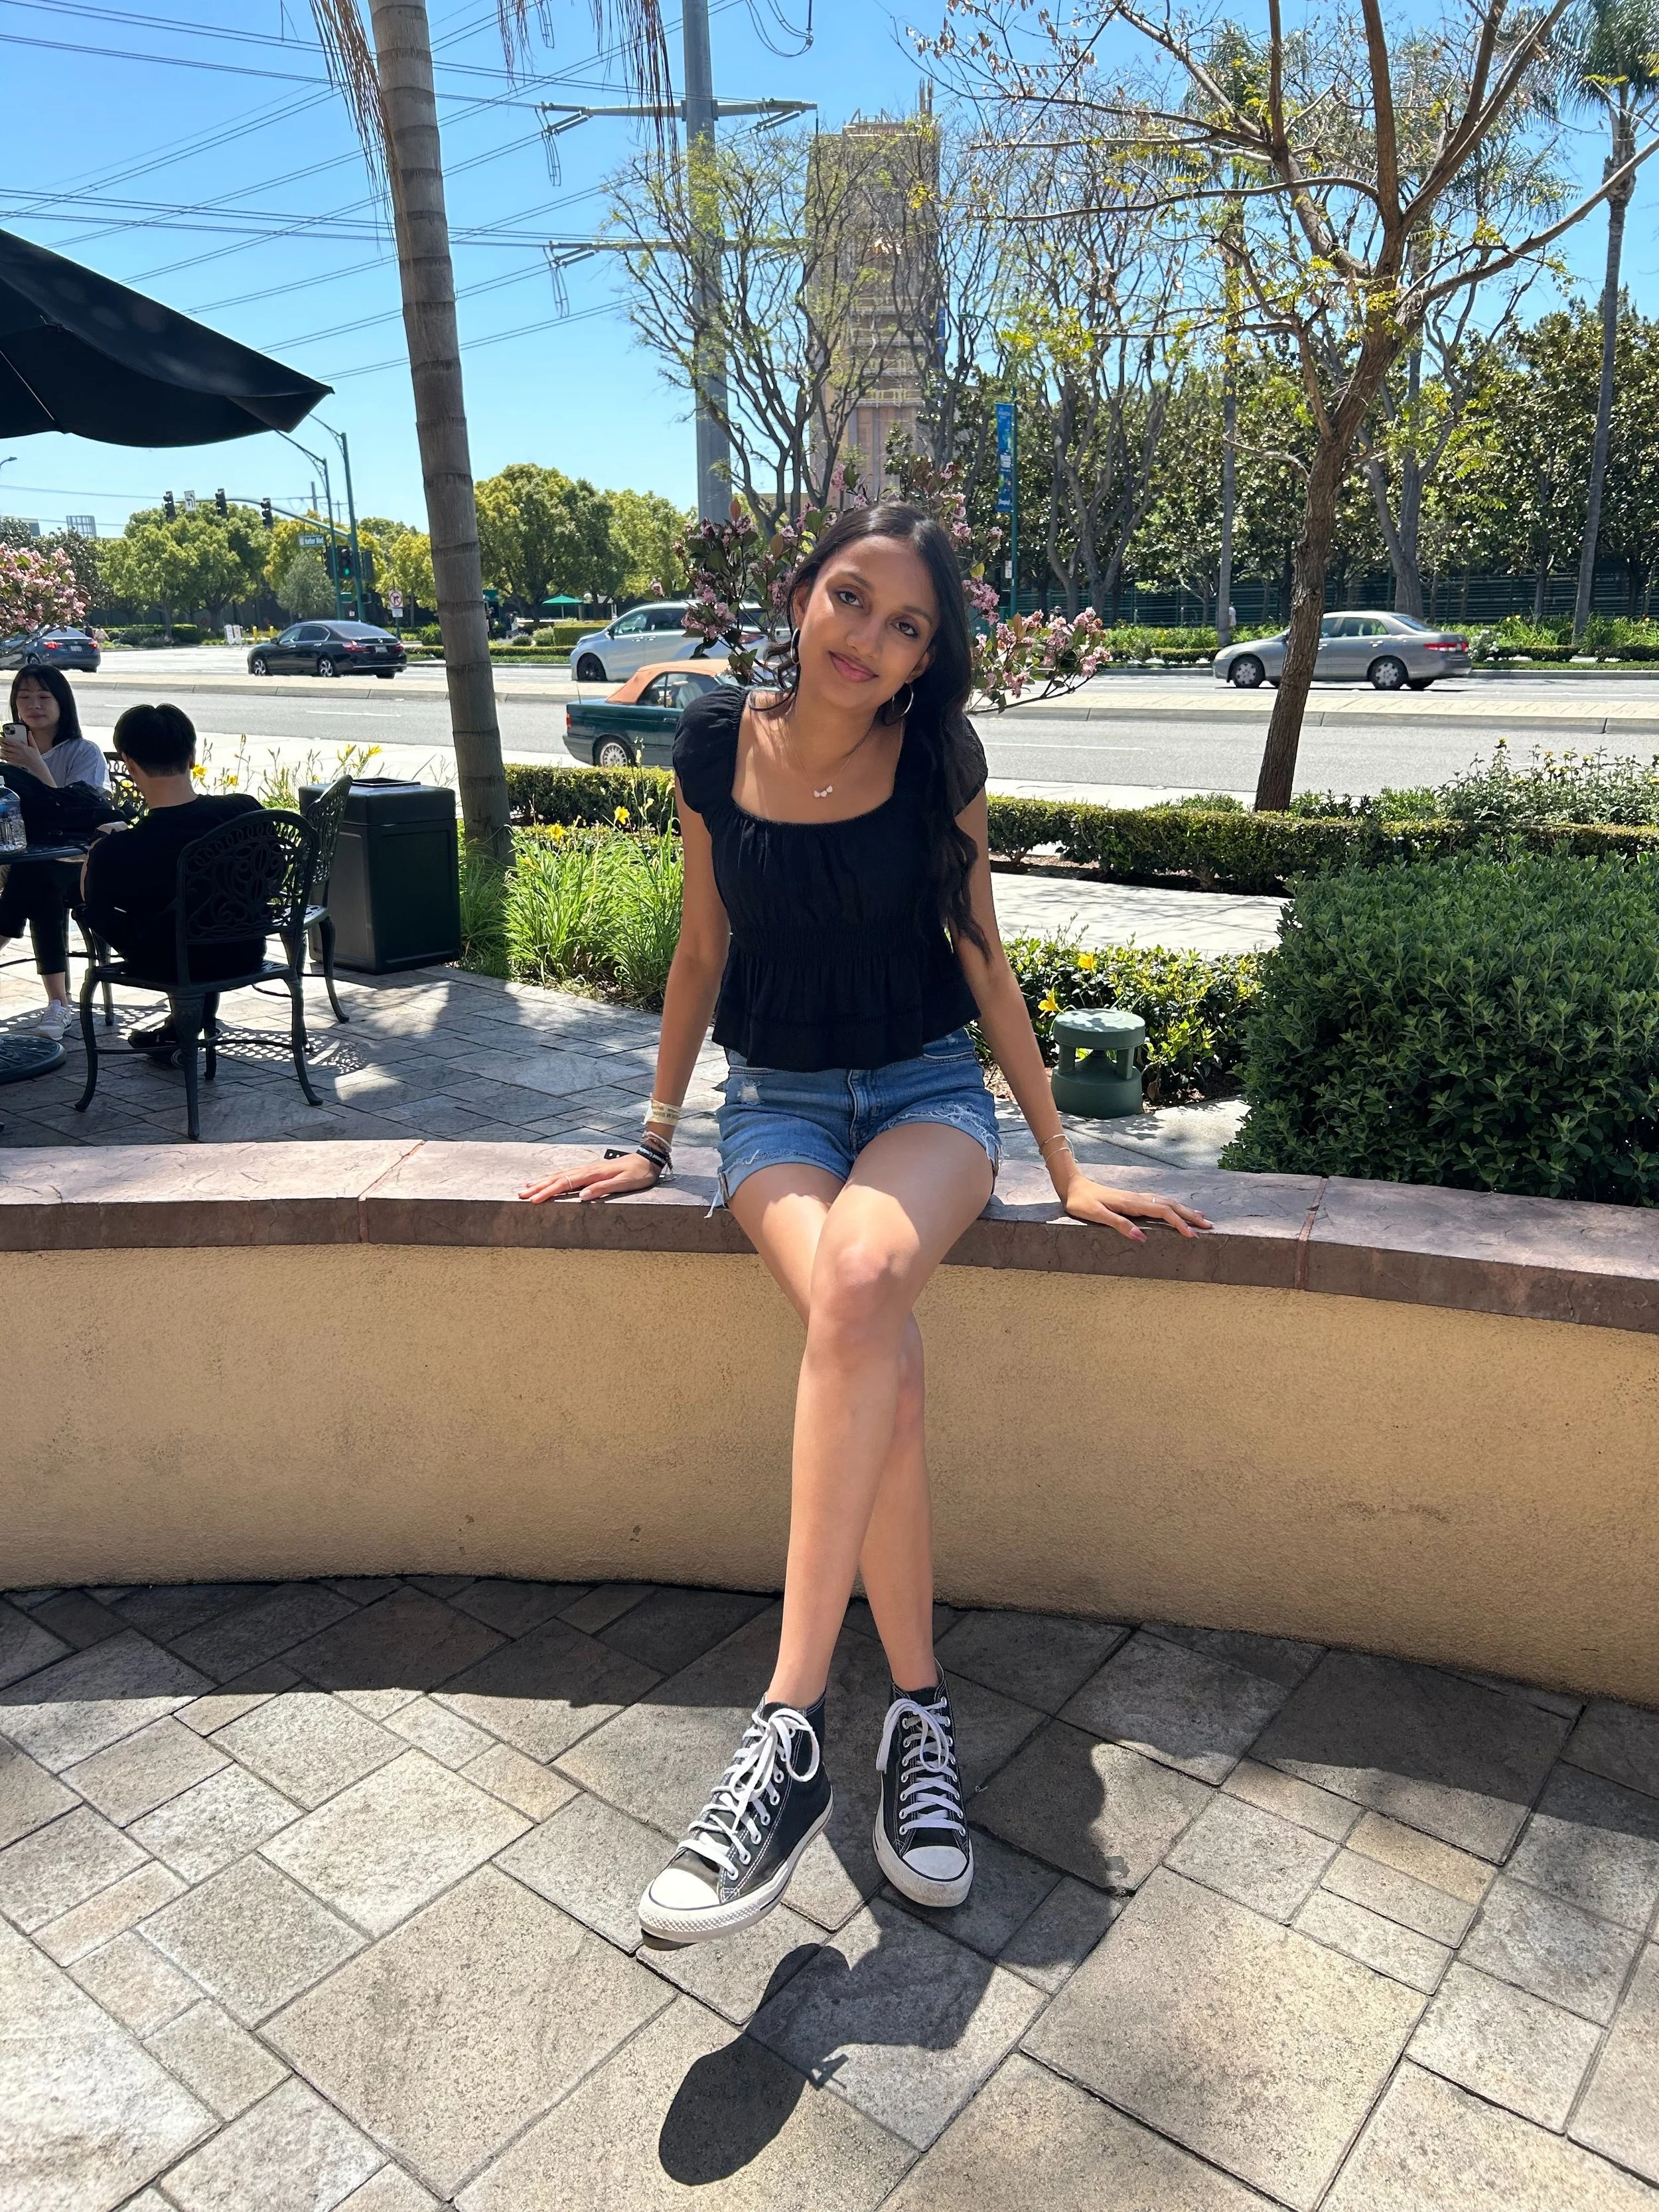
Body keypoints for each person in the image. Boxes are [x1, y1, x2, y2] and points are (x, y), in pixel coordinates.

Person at [520, 503, 1210, 1945]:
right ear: (798, 593)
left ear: (929, 659)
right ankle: (913, 1713)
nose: (870, 641)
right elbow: (701, 946)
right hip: (771, 1104)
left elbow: (983, 954)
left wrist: (1065, 1164)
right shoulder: (712, 743)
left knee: (864, 1276)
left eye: (908, 627)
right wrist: (652, 1136)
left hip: (923, 1094)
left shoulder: (936, 761)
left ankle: (782, 1730)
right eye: (851, 600)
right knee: (867, 1326)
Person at [80, 703, 263, 1033]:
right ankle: (184, 1027)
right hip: (246, 951)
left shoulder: (125, 848)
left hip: (174, 965)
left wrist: (98, 849)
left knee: (93, 910)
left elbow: (95, 904)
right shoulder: (246, 810)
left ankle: (183, 1024)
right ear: (192, 755)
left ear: (129, 765)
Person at [0, 666, 108, 1037]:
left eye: (44, 696)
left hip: (81, 866)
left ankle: (59, 1005)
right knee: (34, 877)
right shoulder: (4, 754)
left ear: (63, 703)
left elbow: (77, 815)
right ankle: (58, 1004)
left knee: (38, 876)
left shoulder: (85, 753)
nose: (33, 705)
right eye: (24, 696)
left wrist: (35, 765)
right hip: (20, 862)